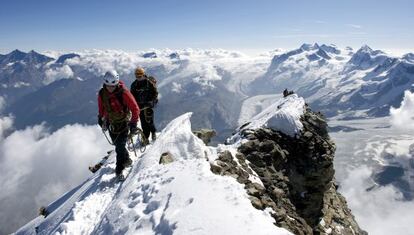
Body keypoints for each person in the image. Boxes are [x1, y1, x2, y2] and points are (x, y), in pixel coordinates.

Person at [97, 70, 140, 178]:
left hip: (124, 122)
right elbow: (101, 108)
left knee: (120, 146)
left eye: (113, 86)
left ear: (116, 83)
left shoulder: (124, 92)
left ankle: (119, 169)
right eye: (108, 86)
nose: (110, 88)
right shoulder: (102, 94)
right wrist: (101, 119)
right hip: (111, 123)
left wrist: (133, 123)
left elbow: (135, 108)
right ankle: (126, 159)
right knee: (118, 145)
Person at [130, 67, 158, 143]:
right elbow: (132, 97)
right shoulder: (134, 85)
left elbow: (155, 93)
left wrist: (152, 102)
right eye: (137, 76)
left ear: (143, 74)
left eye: (140, 76)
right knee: (143, 122)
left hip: (148, 105)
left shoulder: (149, 83)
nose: (139, 77)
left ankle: (153, 132)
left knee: (149, 120)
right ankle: (146, 137)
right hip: (140, 106)